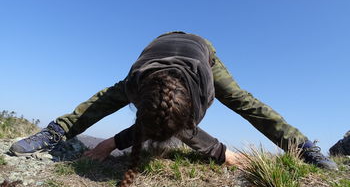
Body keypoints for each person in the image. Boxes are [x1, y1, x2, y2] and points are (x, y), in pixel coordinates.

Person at [10, 32, 338, 186]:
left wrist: (221, 152)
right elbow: (159, 118)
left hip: (201, 50)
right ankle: (53, 133)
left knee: (243, 100)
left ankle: (305, 148)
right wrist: (110, 141)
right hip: (155, 49)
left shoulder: (205, 88)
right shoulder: (134, 83)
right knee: (101, 101)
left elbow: (180, 125)